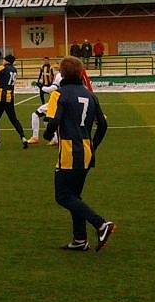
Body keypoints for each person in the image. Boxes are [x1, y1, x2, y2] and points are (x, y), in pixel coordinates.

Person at [43, 56, 114, 252]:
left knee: (63, 196)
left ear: (62, 73)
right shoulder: (90, 95)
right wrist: (93, 145)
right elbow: (103, 125)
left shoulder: (59, 94)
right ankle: (80, 239)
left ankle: (101, 224)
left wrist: (47, 134)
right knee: (75, 196)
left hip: (69, 150)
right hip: (86, 150)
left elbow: (54, 121)